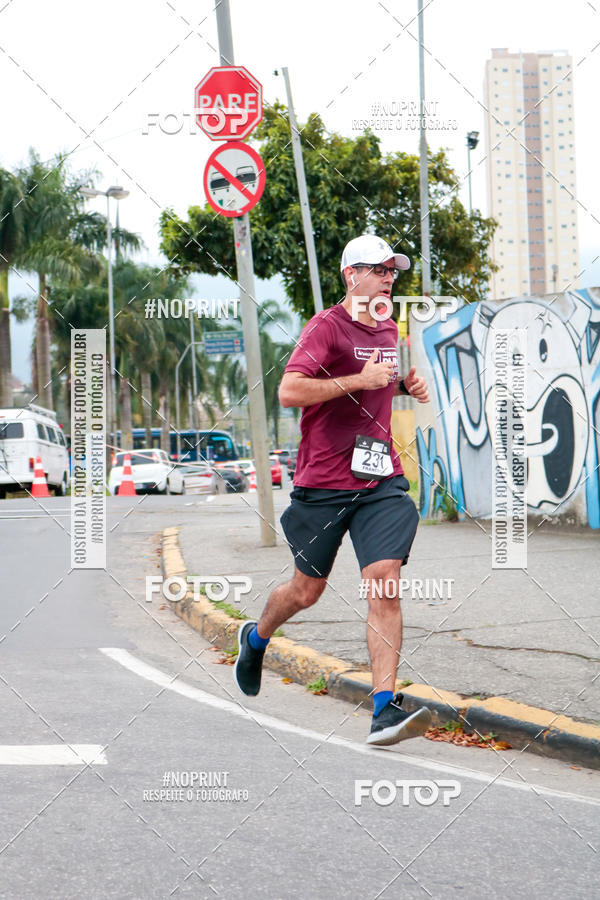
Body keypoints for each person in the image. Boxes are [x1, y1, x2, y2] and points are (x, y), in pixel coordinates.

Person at [234, 234, 432, 746]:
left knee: (384, 580)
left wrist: (402, 385)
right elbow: (290, 390)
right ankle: (255, 639)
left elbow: (376, 382)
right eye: (380, 269)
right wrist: (357, 380)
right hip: (323, 481)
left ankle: (385, 709)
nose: (389, 277)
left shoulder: (388, 326)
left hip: (379, 479)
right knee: (307, 590)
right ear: (351, 275)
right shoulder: (326, 326)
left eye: (393, 271)